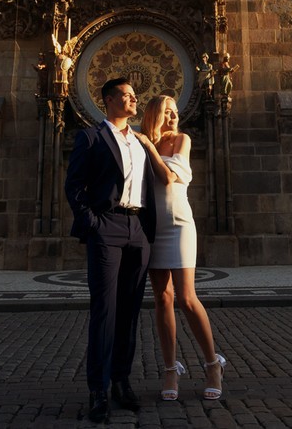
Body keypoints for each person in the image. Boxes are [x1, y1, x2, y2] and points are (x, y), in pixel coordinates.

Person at [64, 77, 157, 423]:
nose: (135, 99)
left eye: (135, 95)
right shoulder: (91, 137)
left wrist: (149, 230)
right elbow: (74, 186)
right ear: (109, 100)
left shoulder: (141, 142)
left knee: (130, 311)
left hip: (138, 230)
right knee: (105, 311)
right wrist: (93, 224)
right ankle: (98, 389)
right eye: (128, 95)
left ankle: (121, 380)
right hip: (108, 226)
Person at [133, 95, 227, 401]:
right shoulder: (140, 144)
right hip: (153, 227)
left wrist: (148, 147)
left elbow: (169, 177)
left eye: (176, 112)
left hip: (179, 225)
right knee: (162, 298)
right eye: (168, 113)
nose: (174, 117)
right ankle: (170, 369)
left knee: (186, 297)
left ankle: (213, 364)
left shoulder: (181, 140)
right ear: (155, 115)